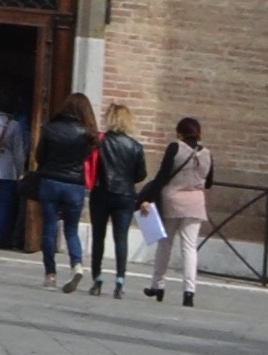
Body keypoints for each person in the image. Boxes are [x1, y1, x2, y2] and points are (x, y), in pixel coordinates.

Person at [32, 88, 97, 286]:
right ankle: (76, 265)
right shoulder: (86, 134)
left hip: (50, 181)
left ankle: (50, 274)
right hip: (74, 185)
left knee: (49, 227)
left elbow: (39, 157)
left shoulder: (50, 129)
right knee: (71, 229)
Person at [145, 116, 213, 305]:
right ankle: (189, 292)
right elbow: (209, 183)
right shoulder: (207, 153)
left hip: (172, 200)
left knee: (165, 244)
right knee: (190, 248)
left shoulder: (175, 147)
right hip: (196, 203)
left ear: (179, 132)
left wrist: (147, 198)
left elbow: (162, 176)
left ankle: (157, 285)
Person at [89, 105, 149, 292]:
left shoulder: (100, 142)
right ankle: (120, 281)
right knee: (120, 238)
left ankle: (97, 279)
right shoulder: (135, 147)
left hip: (101, 192)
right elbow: (141, 174)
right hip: (125, 195)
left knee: (98, 236)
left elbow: (92, 166)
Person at [0, 98, 32, 251]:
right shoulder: (13, 125)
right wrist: (21, 171)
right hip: (7, 169)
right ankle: (0, 239)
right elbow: (18, 151)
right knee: (3, 207)